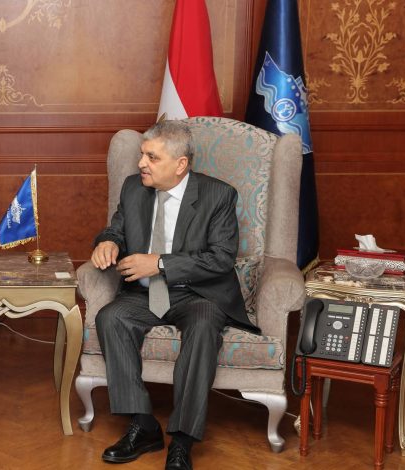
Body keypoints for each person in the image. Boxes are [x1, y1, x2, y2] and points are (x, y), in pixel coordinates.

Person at [90, 121, 259, 470]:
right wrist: (107, 242)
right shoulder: (133, 188)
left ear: (180, 164)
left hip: (197, 293)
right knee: (111, 317)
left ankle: (182, 440)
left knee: (203, 328)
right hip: (143, 293)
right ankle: (143, 426)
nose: (141, 163)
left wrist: (160, 263)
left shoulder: (218, 196)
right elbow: (116, 229)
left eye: (152, 157)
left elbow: (220, 258)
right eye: (142, 155)